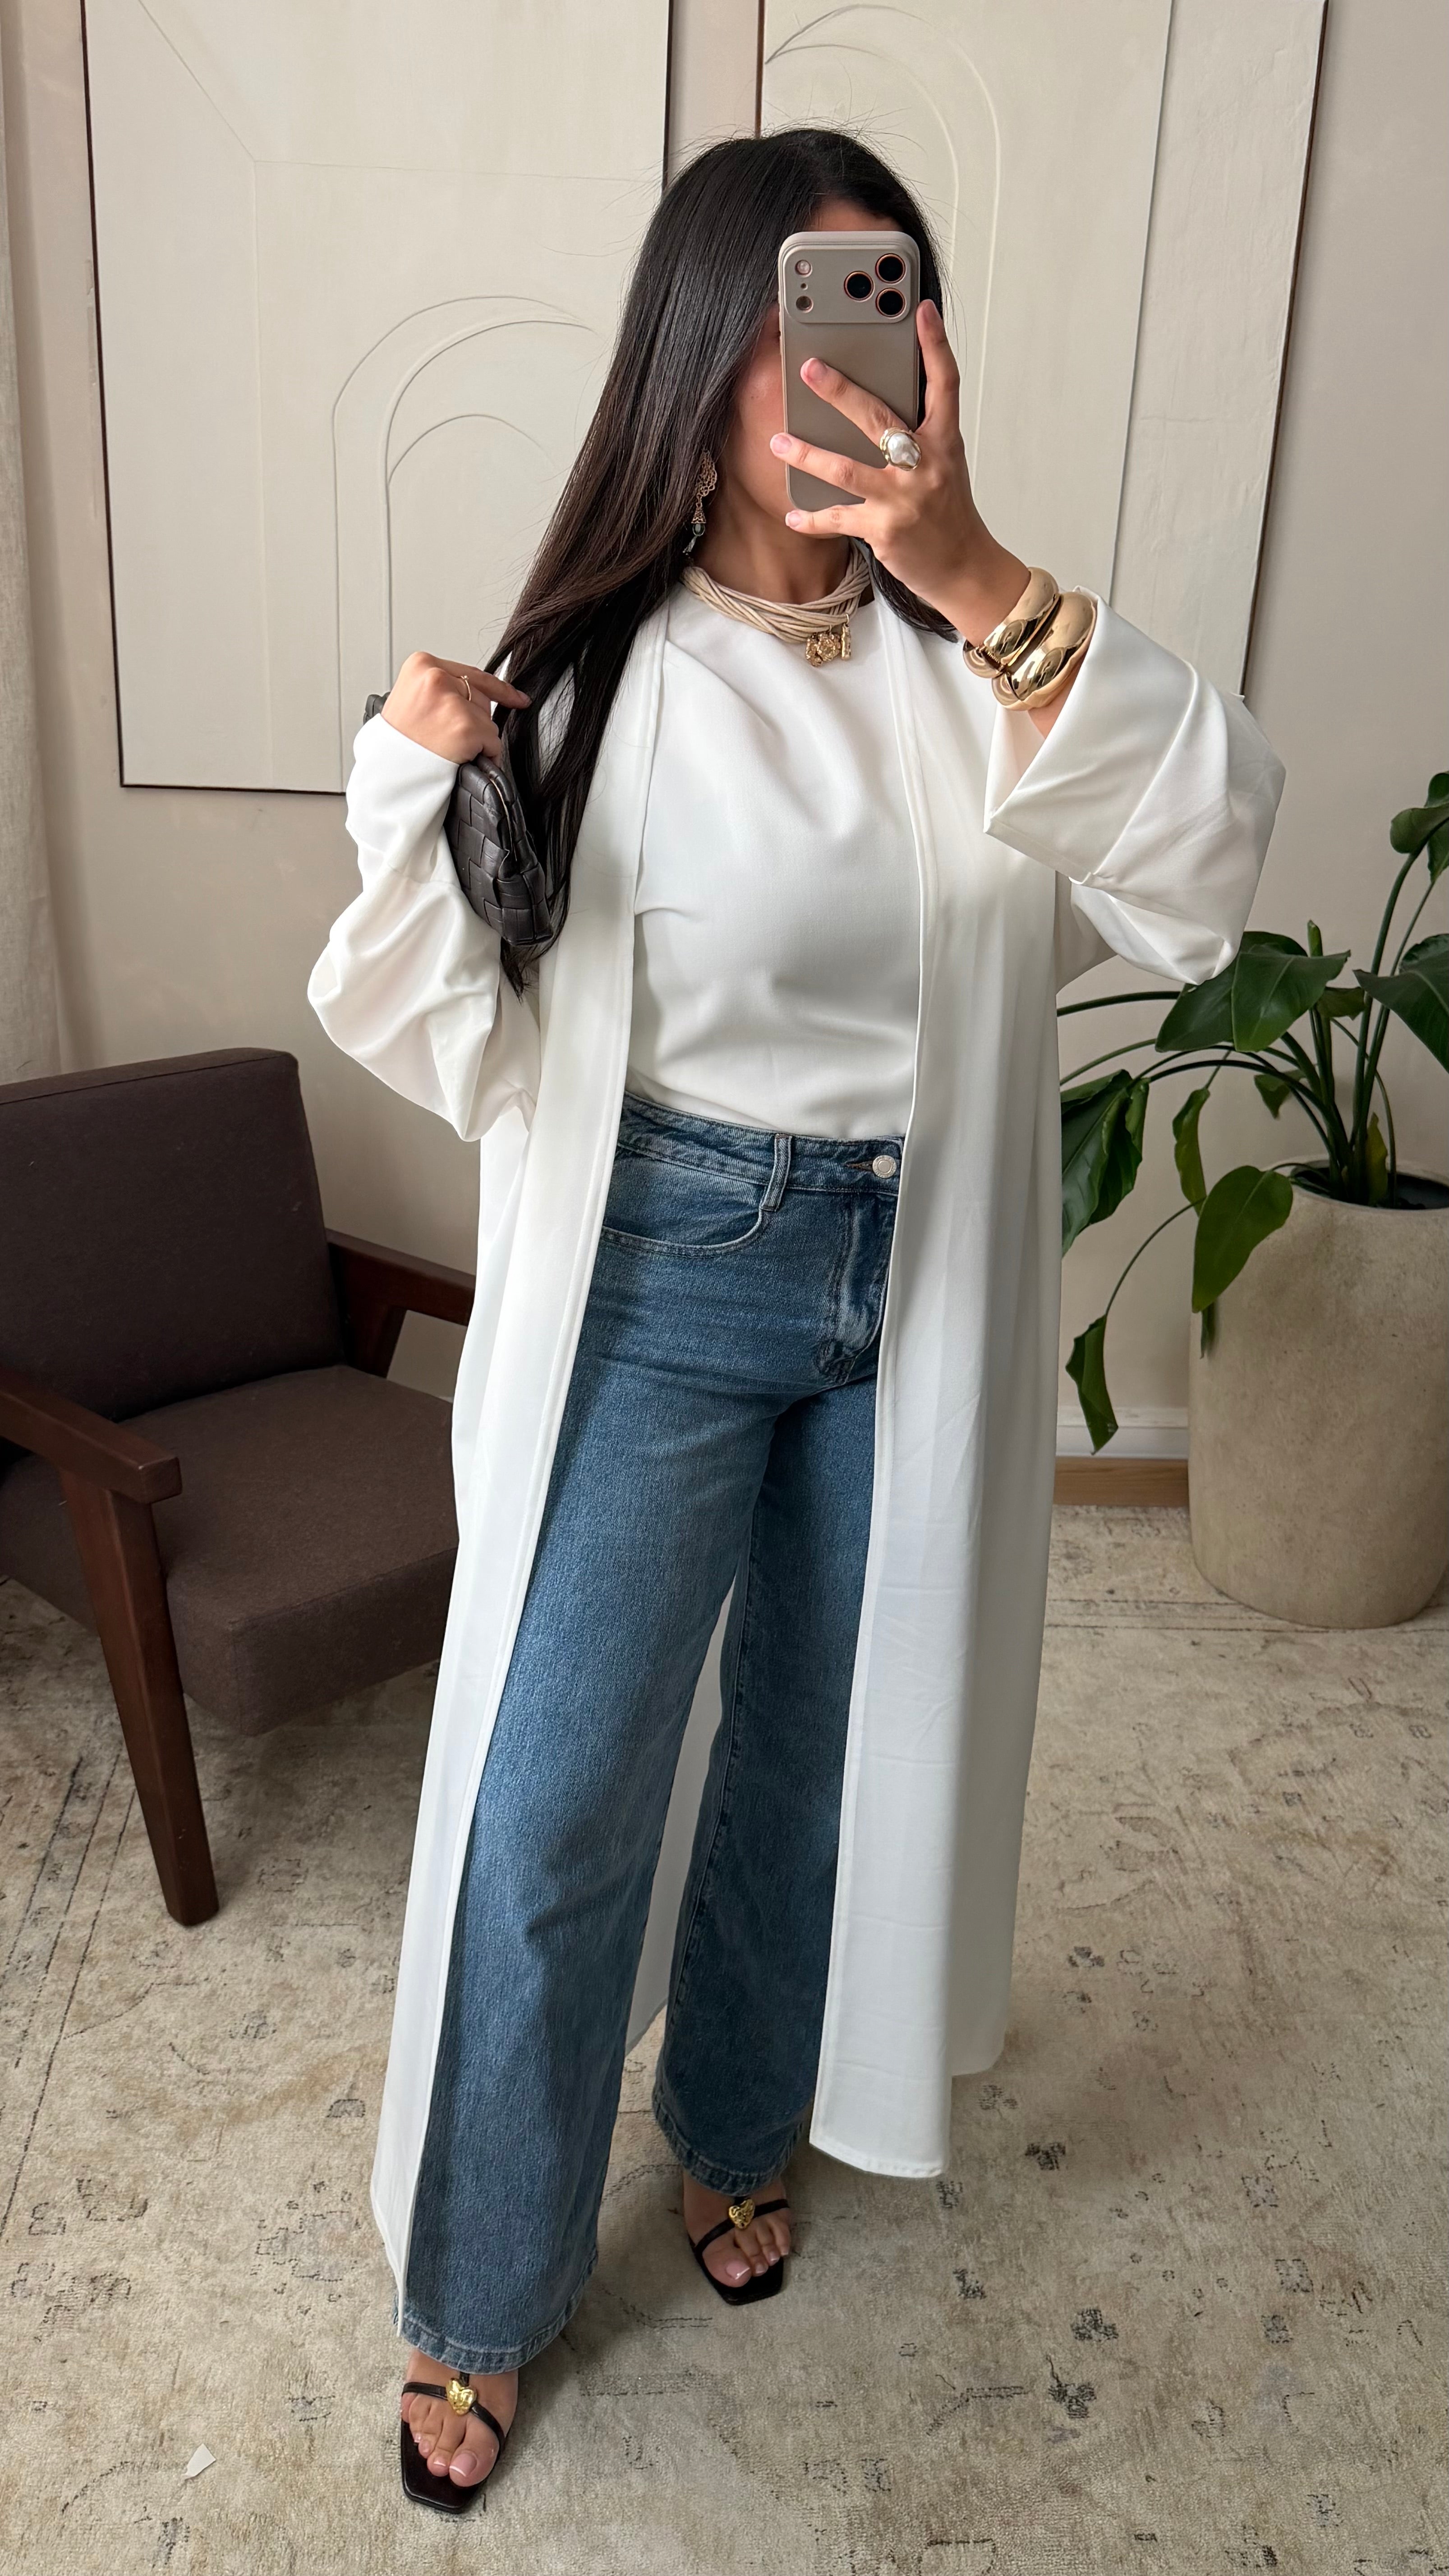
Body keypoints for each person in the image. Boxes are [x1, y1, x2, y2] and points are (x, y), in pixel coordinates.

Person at [308, 129, 1283, 2509]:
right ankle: (483, 2283)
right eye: (790, 319)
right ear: (697, 353)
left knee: (815, 1764)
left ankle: (740, 2123)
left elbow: (1207, 864)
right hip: (663, 1272)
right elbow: (432, 1010)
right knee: (558, 1795)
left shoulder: (982, 669)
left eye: (883, 305)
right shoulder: (599, 674)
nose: (843, 367)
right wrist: (405, 780)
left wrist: (975, 571)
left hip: (908, 1279)